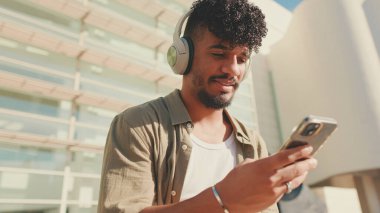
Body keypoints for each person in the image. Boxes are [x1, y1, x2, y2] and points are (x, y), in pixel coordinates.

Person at [97, 0, 317, 212]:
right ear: (183, 56)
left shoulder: (254, 143)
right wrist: (222, 200)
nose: (232, 69)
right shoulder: (138, 125)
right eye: (219, 54)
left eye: (241, 58)